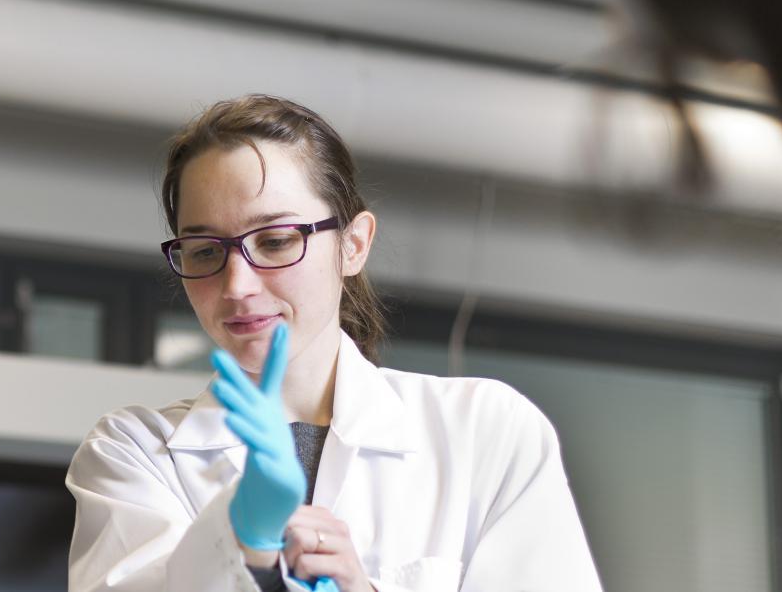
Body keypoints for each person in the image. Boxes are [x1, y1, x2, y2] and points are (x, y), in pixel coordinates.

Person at [65, 95, 602, 592]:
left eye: (275, 241)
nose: (238, 286)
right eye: (205, 251)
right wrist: (241, 542)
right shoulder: (133, 452)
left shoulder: (484, 431)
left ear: (353, 244)